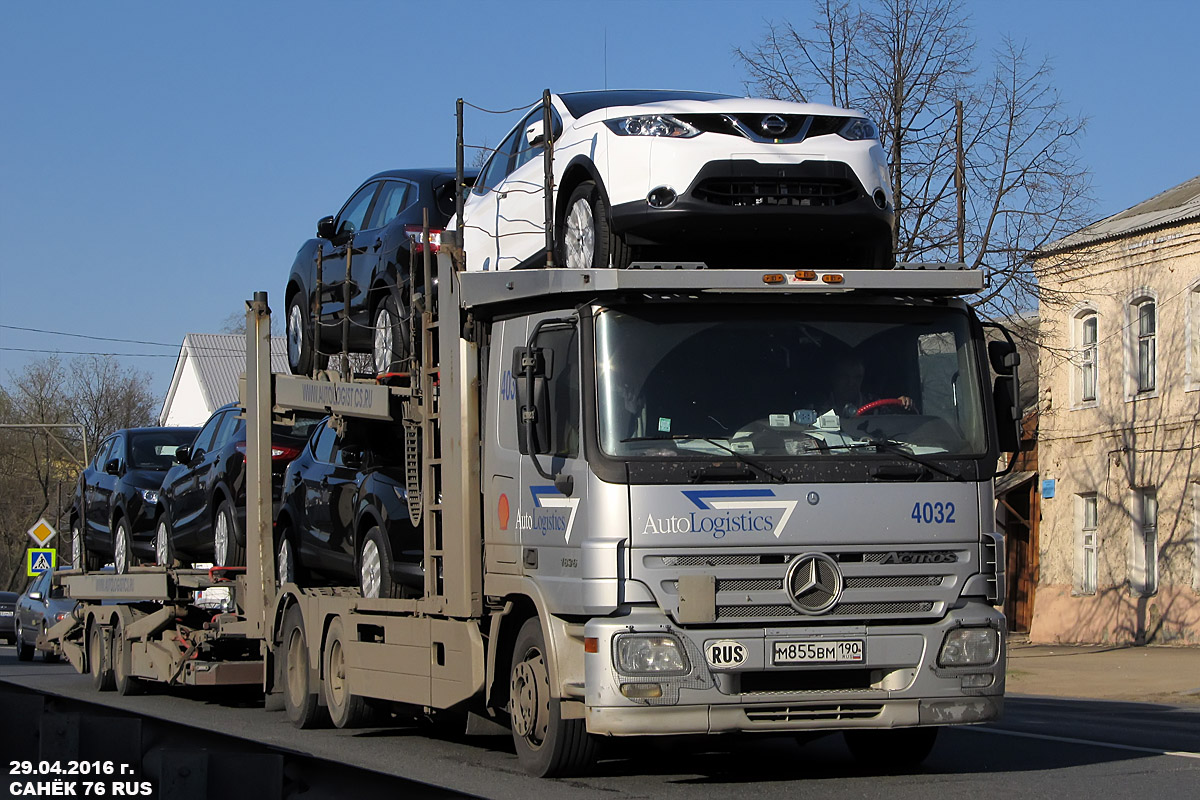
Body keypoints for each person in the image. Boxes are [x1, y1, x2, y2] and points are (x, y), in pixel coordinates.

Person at [822, 355, 913, 417]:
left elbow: (896, 423)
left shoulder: (875, 405)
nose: (851, 383)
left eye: (857, 377)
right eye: (845, 377)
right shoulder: (818, 407)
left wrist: (902, 405)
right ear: (834, 378)